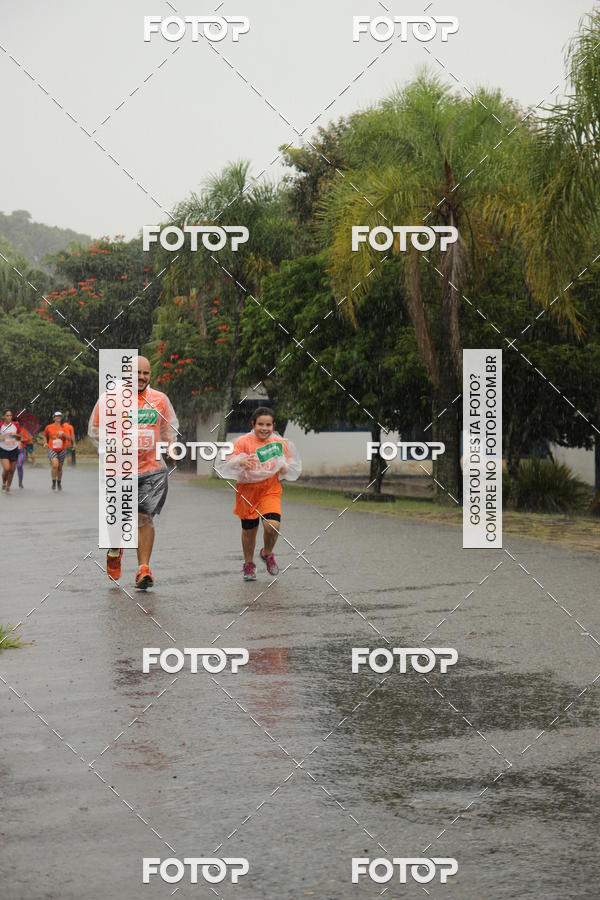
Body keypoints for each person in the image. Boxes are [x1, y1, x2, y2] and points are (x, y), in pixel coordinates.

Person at [88, 356, 179, 590]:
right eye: (136, 373)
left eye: (145, 373)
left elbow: (168, 430)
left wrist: (171, 448)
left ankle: (143, 569)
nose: (141, 377)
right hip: (119, 470)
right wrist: (115, 443)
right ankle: (115, 549)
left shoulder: (160, 399)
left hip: (151, 469)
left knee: (144, 517)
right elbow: (95, 430)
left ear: (150, 375)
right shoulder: (110, 399)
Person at [216, 407, 301, 581]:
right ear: (253, 424)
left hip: (270, 489)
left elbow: (290, 463)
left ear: (273, 425)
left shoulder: (279, 443)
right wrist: (239, 461)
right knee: (249, 531)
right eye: (260, 424)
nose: (264, 428)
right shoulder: (243, 442)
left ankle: (267, 553)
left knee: (272, 526)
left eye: (268, 425)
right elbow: (226, 461)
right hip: (247, 491)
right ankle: (249, 565)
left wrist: (284, 466)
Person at [43, 411, 70, 490]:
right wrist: (45, 442)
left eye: (60, 416)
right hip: (52, 449)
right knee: (55, 465)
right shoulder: (49, 427)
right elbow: (44, 435)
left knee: (60, 468)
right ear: (54, 418)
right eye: (57, 416)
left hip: (62, 449)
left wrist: (63, 434)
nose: (59, 417)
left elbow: (69, 438)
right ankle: (53, 483)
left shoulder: (64, 427)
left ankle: (59, 483)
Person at [0, 409, 23, 493]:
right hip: (3, 449)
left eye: (10, 415)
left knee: (12, 470)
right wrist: (2, 437)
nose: (9, 417)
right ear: (3, 417)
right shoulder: (0, 425)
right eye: (7, 415)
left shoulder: (16, 425)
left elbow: (21, 437)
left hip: (14, 449)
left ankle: (8, 487)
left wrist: (15, 434)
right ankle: (3, 483)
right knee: (6, 468)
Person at [16, 424, 34, 488]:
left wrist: (20, 439)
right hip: (11, 451)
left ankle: (20, 482)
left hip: (21, 450)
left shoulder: (23, 429)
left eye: (17, 421)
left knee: (19, 465)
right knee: (9, 469)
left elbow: (27, 439)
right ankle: (6, 483)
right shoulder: (9, 429)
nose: (16, 423)